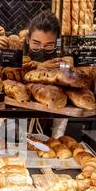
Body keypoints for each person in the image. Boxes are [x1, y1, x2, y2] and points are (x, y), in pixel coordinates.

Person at [25, 10, 68, 138]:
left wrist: (57, 138)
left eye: (49, 46)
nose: (42, 50)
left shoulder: (62, 69)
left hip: (48, 136)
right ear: (28, 39)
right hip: (13, 134)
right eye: (36, 44)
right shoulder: (18, 65)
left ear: (57, 43)